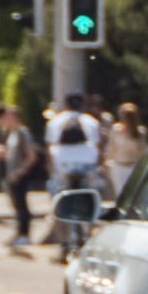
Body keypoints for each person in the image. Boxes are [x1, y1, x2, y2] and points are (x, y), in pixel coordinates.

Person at [43, 93, 105, 246]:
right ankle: (89, 238)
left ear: (65, 104)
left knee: (57, 203)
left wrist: (52, 171)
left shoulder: (54, 121)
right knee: (93, 202)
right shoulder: (92, 121)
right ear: (83, 105)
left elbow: (49, 149)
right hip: (87, 166)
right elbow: (98, 147)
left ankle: (63, 244)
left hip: (63, 165)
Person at [0, 105, 48, 249]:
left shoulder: (23, 133)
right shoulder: (13, 134)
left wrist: (19, 171)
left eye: (8, 116)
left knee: (21, 205)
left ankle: (24, 234)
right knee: (16, 206)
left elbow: (32, 156)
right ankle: (19, 233)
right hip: (11, 174)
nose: (4, 119)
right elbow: (9, 155)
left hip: (19, 175)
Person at [102, 102, 148, 196]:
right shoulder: (116, 130)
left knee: (134, 195)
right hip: (119, 167)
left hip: (134, 168)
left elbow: (144, 152)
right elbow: (111, 147)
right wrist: (106, 162)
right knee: (120, 194)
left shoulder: (141, 132)